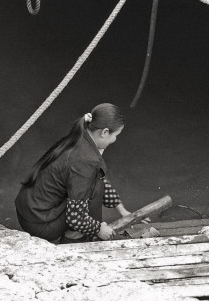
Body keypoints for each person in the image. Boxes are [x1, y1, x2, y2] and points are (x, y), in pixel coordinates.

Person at [15, 103, 131, 243]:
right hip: (40, 224)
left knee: (95, 180)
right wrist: (98, 229)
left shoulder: (79, 136)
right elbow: (75, 217)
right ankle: (76, 238)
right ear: (104, 132)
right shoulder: (85, 161)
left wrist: (122, 210)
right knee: (94, 187)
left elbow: (98, 179)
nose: (115, 140)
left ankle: (81, 231)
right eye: (116, 135)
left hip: (29, 212)